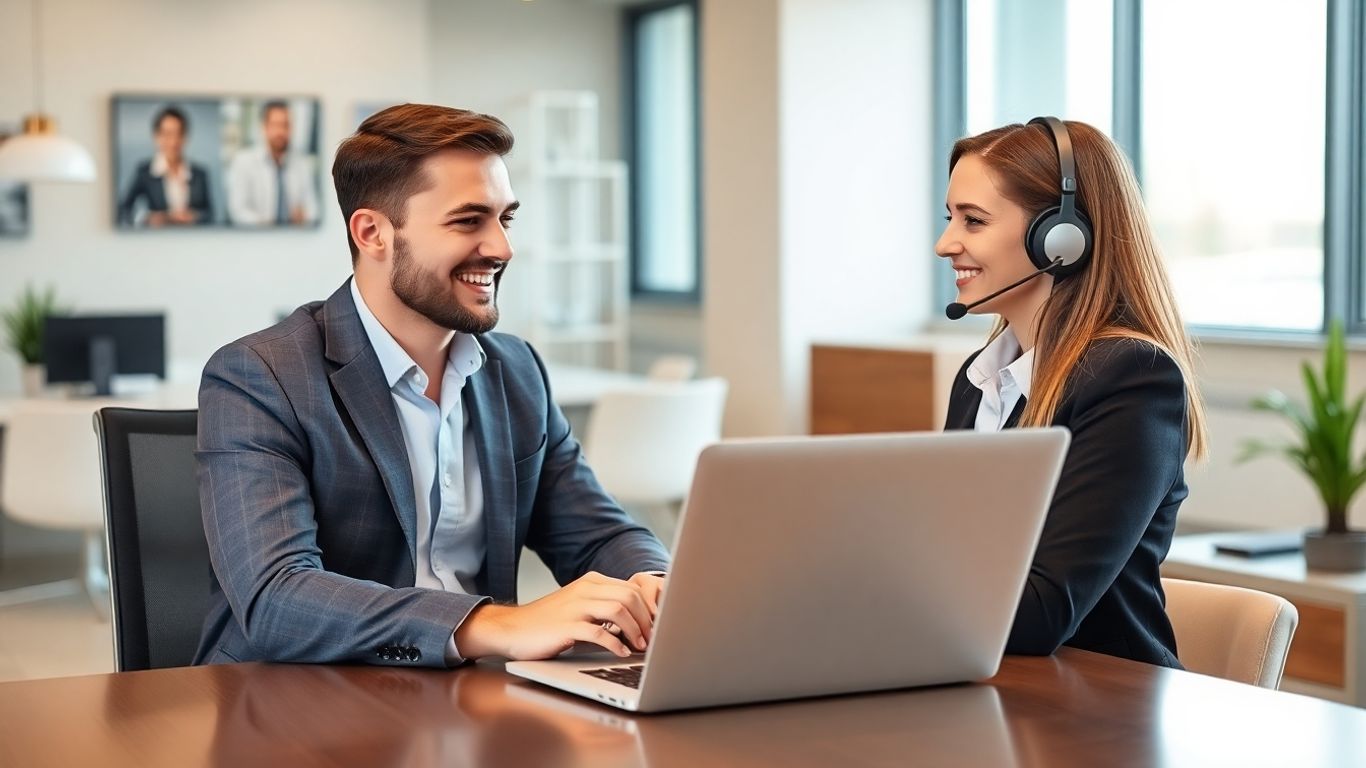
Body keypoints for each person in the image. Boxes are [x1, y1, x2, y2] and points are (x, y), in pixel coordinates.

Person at [194, 104, 668, 668]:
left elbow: (596, 536)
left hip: (473, 699)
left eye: (505, 219)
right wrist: (496, 624)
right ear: (372, 232)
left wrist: (653, 583)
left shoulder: (515, 371)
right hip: (297, 703)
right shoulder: (260, 376)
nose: (501, 247)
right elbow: (277, 598)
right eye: (469, 221)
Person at [935, 117, 1207, 668]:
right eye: (950, 218)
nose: (946, 244)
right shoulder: (979, 380)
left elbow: (1041, 613)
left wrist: (881, 581)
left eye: (974, 221)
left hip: (1103, 707)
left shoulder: (1133, 376)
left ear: (1061, 238)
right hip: (990, 682)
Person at [225, 100, 319, 226]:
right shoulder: (244, 161)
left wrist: (304, 215)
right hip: (256, 238)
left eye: (286, 125)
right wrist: (265, 225)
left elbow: (314, 207)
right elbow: (237, 210)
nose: (281, 131)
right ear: (264, 127)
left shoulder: (301, 164)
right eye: (276, 125)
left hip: (294, 238)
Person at [117, 106, 212, 227]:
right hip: (157, 241)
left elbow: (210, 214)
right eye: (167, 134)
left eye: (178, 134)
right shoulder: (145, 172)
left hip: (193, 240)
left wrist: (194, 216)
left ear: (185, 137)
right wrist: (148, 218)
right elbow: (124, 210)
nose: (173, 141)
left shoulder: (200, 173)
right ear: (157, 137)